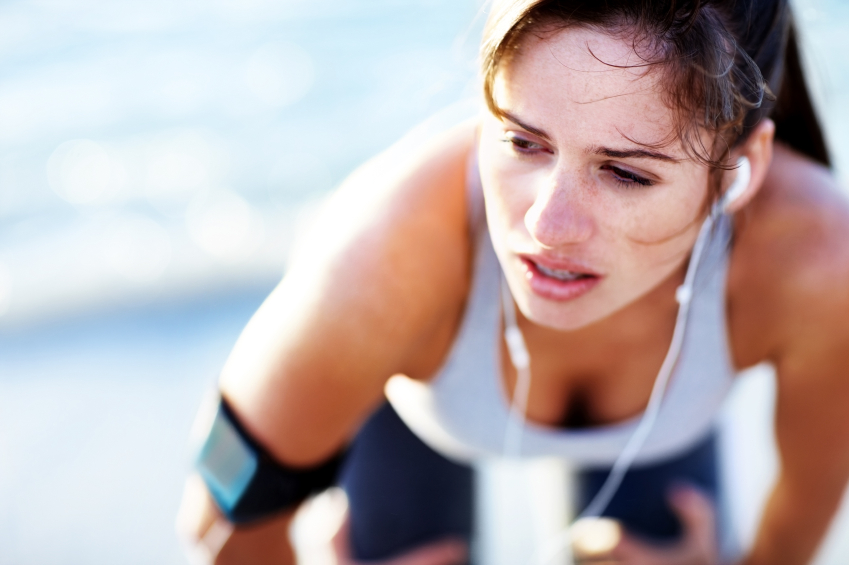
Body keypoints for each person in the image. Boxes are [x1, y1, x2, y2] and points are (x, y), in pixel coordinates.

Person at [176, 0, 849, 563]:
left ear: (739, 169)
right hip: (414, 401)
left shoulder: (813, 260)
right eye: (523, 142)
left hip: (657, 431)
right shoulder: (381, 264)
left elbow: (801, 507)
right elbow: (218, 508)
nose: (547, 225)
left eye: (626, 173)